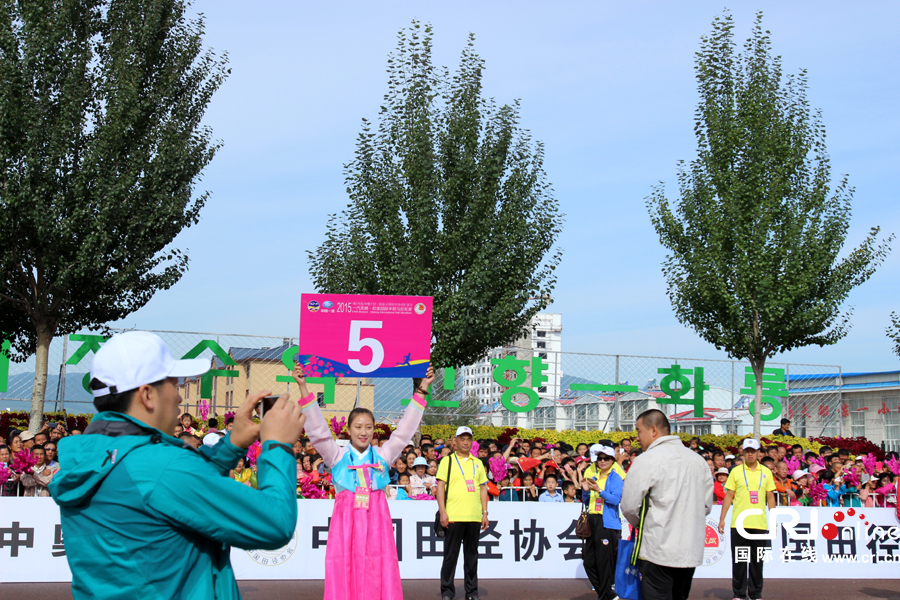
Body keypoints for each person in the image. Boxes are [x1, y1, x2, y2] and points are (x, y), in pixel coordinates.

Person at [49, 331, 305, 600]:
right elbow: (275, 523)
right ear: (147, 395)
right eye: (173, 384)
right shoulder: (158, 466)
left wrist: (232, 445)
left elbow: (173, 490)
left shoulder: (93, 457)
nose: (180, 396)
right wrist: (278, 446)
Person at [296, 364, 434, 600]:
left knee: (378, 566)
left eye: (368, 427)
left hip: (376, 522)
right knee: (343, 566)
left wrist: (422, 389)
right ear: (348, 430)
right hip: (345, 523)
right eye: (358, 427)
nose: (363, 432)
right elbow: (318, 432)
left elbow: (403, 432)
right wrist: (303, 386)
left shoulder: (383, 455)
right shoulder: (336, 455)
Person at [621, 409, 713, 600]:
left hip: (657, 548)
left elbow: (629, 505)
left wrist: (642, 525)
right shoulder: (698, 461)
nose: (637, 437)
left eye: (639, 431)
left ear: (653, 430)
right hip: (689, 549)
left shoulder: (646, 460)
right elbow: (706, 505)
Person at [718, 439, 776, 600]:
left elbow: (770, 496)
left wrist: (774, 518)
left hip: (759, 525)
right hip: (739, 524)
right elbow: (729, 496)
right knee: (739, 562)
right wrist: (722, 519)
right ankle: (739, 594)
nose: (750, 454)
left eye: (753, 451)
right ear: (742, 452)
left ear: (759, 453)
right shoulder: (736, 471)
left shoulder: (766, 472)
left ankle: (756, 594)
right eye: (747, 450)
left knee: (757, 563)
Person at [437, 425, 489, 600]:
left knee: (472, 557)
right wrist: (443, 512)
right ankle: (447, 591)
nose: (466, 442)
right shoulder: (447, 461)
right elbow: (440, 488)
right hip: (453, 516)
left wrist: (485, 513)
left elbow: (483, 489)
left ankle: (471, 592)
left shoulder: (478, 463)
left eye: (468, 439)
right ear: (455, 441)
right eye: (462, 439)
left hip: (473, 516)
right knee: (450, 557)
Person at [580, 444, 623, 600]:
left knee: (604, 563)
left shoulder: (615, 477)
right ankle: (608, 595)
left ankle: (605, 596)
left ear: (612, 460)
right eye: (600, 459)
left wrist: (600, 491)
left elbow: (616, 499)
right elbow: (588, 501)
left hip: (608, 523)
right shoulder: (594, 477)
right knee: (589, 562)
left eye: (606, 458)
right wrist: (585, 491)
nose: (602, 461)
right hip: (593, 520)